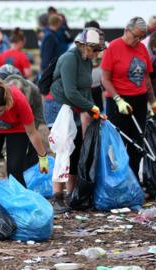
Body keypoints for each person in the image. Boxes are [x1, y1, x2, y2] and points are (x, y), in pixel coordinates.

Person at [101, 17, 156, 199]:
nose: (138, 40)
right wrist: (118, 99)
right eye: (136, 36)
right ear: (126, 30)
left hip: (138, 101)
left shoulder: (142, 49)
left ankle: (134, 184)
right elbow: (104, 79)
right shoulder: (113, 48)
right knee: (119, 145)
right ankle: (120, 184)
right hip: (118, 102)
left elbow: (146, 79)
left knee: (138, 144)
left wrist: (153, 102)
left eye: (142, 37)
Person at [49, 27, 105, 213]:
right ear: (83, 45)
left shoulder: (87, 60)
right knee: (62, 149)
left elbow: (86, 90)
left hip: (75, 107)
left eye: (99, 50)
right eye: (94, 49)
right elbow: (70, 91)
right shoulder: (69, 59)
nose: (97, 53)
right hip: (59, 107)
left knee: (77, 149)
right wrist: (90, 107)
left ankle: (72, 194)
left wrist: (95, 109)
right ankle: (57, 196)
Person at [0, 64, 46, 169]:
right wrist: (5, 150)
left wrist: (40, 153)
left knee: (29, 148)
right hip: (1, 120)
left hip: (28, 120)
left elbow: (36, 120)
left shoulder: (33, 91)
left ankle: (27, 169)